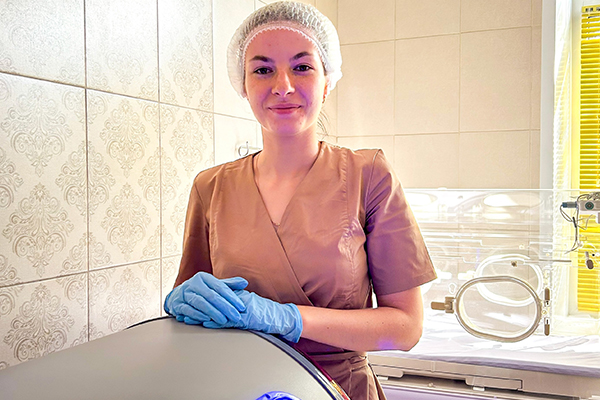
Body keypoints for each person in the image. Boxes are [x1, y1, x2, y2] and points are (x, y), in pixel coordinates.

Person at [164, 2, 436, 399]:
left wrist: (287, 318)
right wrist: (180, 302)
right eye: (262, 70)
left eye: (302, 66)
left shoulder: (369, 176)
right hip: (239, 386)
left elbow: (406, 327)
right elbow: (194, 299)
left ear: (327, 81)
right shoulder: (211, 186)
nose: (283, 86)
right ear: (243, 86)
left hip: (337, 389)